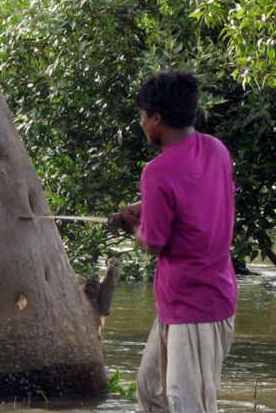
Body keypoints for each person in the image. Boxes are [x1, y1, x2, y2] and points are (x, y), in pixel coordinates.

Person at [111, 70, 237, 412]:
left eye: (142, 116)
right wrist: (144, 206)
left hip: (195, 307)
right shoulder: (215, 149)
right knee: (150, 390)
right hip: (190, 302)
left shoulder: (158, 171)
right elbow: (194, 201)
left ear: (156, 118)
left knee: (186, 405)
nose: (141, 124)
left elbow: (154, 243)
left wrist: (130, 228)